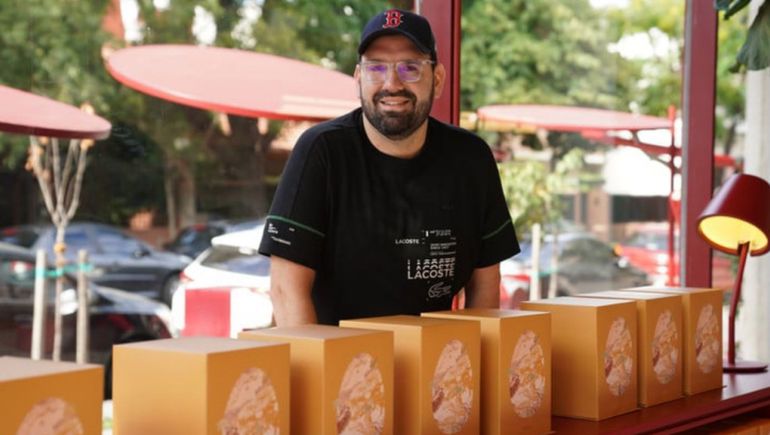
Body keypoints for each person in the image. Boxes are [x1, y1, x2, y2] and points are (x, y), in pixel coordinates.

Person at [259, 8, 520, 326]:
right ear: (358, 80)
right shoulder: (321, 152)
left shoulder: (471, 159)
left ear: (437, 80)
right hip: (336, 360)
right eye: (376, 68)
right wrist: (319, 370)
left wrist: (474, 367)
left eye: (410, 68)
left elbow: (485, 286)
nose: (392, 83)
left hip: (434, 364)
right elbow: (286, 290)